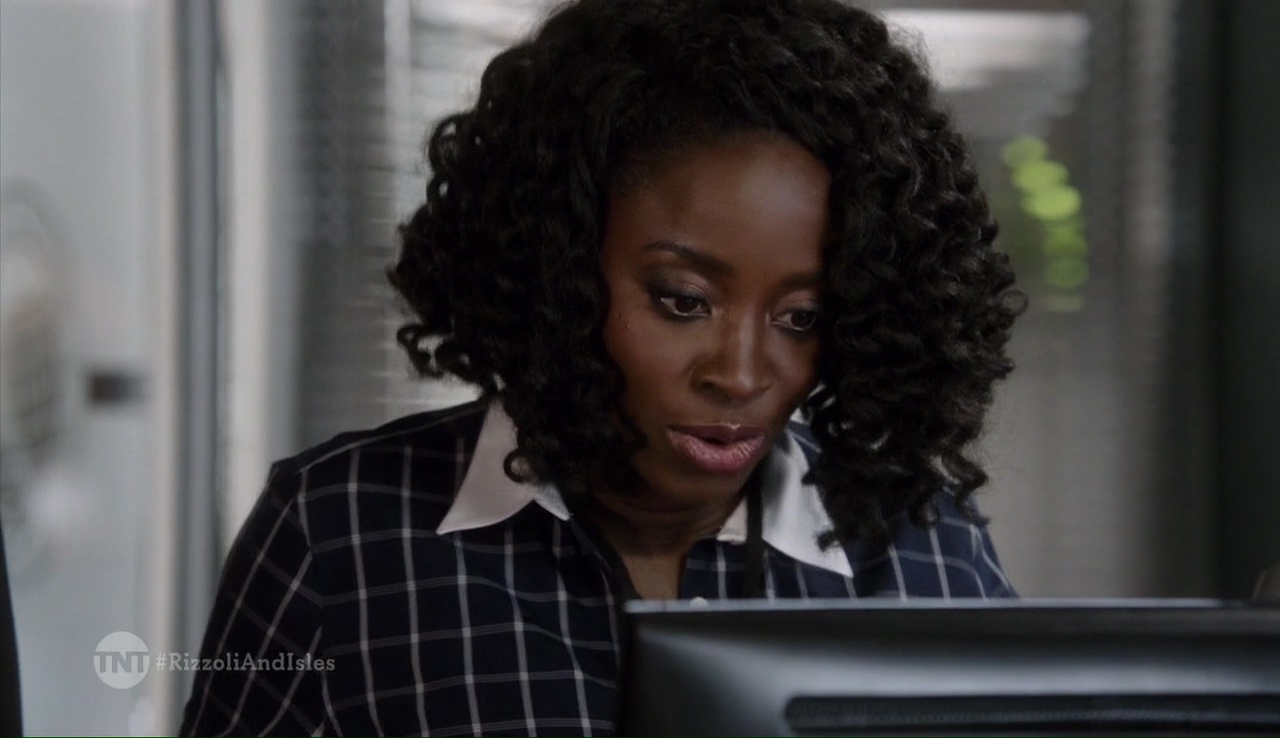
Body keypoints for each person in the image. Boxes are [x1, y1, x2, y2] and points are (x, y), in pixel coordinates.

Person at [180, 0, 1024, 734]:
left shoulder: (926, 550)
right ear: (558, 269)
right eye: (683, 301)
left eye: (800, 318)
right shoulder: (336, 534)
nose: (740, 375)